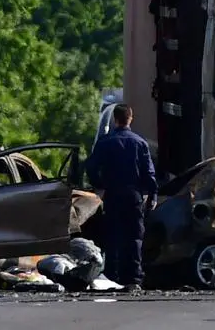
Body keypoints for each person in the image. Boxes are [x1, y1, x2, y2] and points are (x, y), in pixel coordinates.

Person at [85, 103, 157, 292]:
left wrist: (100, 186)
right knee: (134, 237)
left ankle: (112, 276)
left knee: (113, 236)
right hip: (134, 195)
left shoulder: (105, 142)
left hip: (113, 193)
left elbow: (91, 167)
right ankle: (133, 278)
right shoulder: (140, 143)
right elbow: (149, 173)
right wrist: (152, 194)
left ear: (115, 119)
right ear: (130, 118)